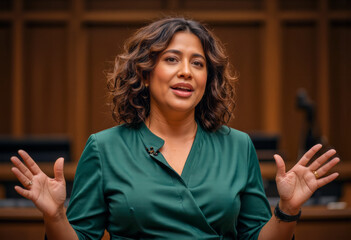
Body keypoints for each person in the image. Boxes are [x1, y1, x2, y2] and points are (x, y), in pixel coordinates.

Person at [10, 17, 340, 240]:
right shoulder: (103, 148)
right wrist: (54, 217)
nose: (186, 71)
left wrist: (288, 209)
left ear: (207, 79)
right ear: (145, 72)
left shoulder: (239, 147)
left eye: (197, 63)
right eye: (171, 59)